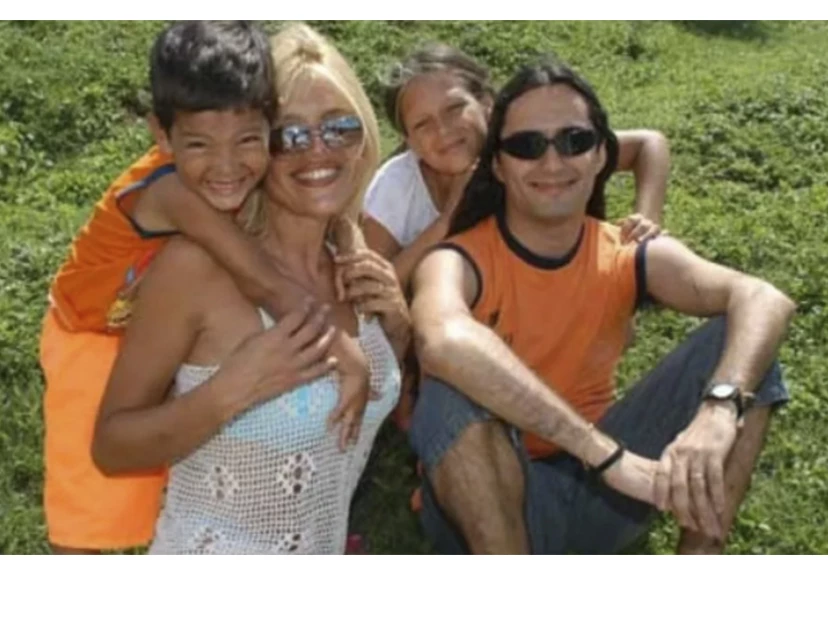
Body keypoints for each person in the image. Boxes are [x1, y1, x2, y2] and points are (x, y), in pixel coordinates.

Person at [408, 57, 794, 555]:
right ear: (499, 167)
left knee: (743, 349)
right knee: (448, 395)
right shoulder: (457, 261)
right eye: (527, 146)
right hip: (484, 505)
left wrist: (720, 409)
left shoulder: (626, 252)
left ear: (600, 156)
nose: (552, 164)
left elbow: (763, 298)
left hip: (603, 499)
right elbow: (442, 339)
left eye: (574, 141)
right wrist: (604, 455)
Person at [39, 20, 370, 555]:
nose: (227, 165)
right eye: (200, 144)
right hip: (87, 335)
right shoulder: (171, 190)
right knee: (90, 521)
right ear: (161, 135)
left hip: (133, 316)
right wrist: (339, 346)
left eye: (248, 141)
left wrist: (349, 240)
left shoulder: (206, 181)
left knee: (149, 491)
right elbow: (260, 277)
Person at [362, 43, 671, 435]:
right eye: (422, 124)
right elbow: (375, 287)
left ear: (486, 104)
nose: (444, 131)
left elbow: (648, 144)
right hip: (441, 318)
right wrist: (446, 219)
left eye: (455, 108)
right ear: (408, 139)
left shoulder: (524, 148)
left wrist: (646, 219)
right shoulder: (396, 186)